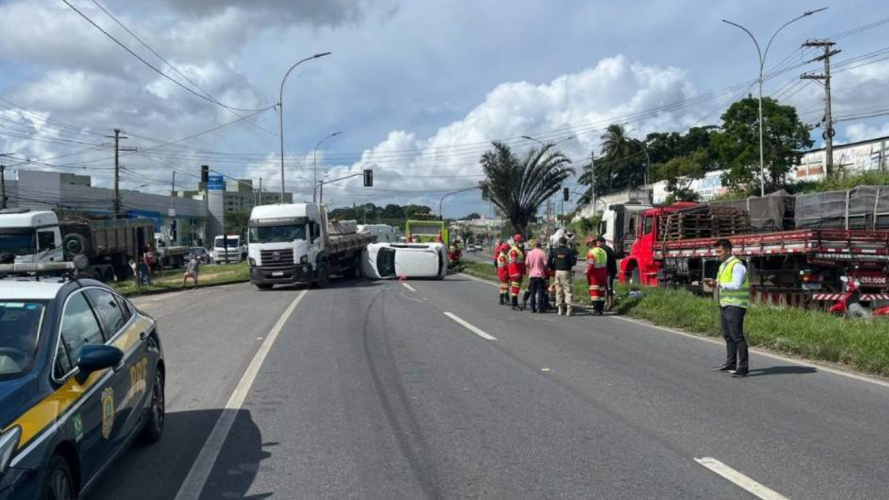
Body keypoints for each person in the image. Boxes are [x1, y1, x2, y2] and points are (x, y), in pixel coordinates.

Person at [704, 239, 750, 378]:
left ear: (728, 250)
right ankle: (731, 363)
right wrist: (713, 283)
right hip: (725, 304)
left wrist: (717, 284)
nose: (717, 254)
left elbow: (735, 285)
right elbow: (722, 283)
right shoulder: (724, 265)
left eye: (720, 251)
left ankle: (743, 368)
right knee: (728, 336)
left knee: (737, 337)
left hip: (736, 305)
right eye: (716, 251)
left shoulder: (737, 266)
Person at [548, 236, 577, 316]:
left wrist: (554, 267)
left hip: (557, 272)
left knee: (558, 290)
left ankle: (560, 310)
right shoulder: (569, 251)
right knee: (568, 290)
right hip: (566, 272)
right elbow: (573, 262)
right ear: (566, 243)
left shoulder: (554, 251)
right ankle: (569, 309)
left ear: (559, 242)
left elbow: (549, 262)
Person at [585, 236, 608, 316]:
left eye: (588, 244)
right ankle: (601, 310)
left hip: (594, 275)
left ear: (591, 243)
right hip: (603, 274)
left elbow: (590, 264)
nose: (588, 245)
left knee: (594, 292)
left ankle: (596, 310)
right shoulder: (603, 251)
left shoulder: (591, 253)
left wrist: (586, 271)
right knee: (601, 292)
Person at [525, 240, 548, 313]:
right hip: (540, 275)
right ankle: (540, 308)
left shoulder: (529, 253)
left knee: (533, 292)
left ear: (534, 245)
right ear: (540, 246)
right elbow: (545, 264)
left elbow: (526, 263)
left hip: (532, 275)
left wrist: (531, 267)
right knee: (540, 292)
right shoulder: (542, 252)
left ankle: (532, 307)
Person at [507, 234, 526, 311]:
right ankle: (514, 305)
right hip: (515, 272)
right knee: (515, 288)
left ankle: (515, 304)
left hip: (518, 271)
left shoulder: (518, 250)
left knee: (517, 288)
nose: (521, 243)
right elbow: (513, 263)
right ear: (515, 242)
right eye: (519, 241)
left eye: (521, 241)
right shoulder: (514, 251)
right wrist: (516, 272)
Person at [602, 239, 618, 310]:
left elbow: (614, 256)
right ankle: (606, 302)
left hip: (610, 271)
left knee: (608, 287)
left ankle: (610, 304)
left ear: (602, 242)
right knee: (605, 287)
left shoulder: (606, 249)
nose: (597, 244)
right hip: (606, 271)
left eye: (598, 243)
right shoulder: (603, 249)